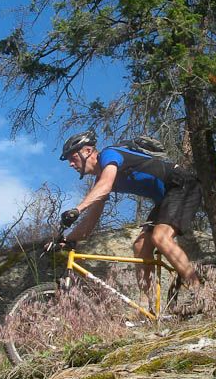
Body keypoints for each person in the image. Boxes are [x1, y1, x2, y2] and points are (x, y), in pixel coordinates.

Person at [55, 129, 203, 304]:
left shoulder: (109, 155)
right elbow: (89, 224)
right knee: (140, 246)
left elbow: (105, 185)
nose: (71, 164)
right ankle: (147, 308)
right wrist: (67, 239)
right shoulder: (100, 182)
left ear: (88, 151)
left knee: (161, 237)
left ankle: (199, 292)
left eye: (73, 158)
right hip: (165, 199)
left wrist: (77, 209)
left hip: (182, 184)